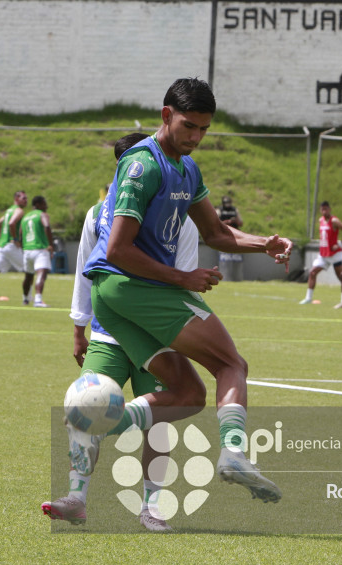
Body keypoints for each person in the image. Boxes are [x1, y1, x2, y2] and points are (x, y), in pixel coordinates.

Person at [84, 77, 292, 505]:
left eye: (204, 130)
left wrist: (262, 242)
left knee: (188, 395)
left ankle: (98, 422)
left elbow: (215, 232)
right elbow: (119, 249)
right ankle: (234, 454)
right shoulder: (143, 165)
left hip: (122, 294)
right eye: (188, 126)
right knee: (231, 364)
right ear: (166, 116)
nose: (196, 137)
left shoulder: (187, 167)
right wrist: (184, 279)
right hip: (133, 287)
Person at [42, 132, 204, 532]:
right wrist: (78, 327)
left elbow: (182, 278)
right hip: (107, 334)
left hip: (157, 337)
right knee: (85, 406)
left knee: (158, 422)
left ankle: (153, 506)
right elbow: (86, 269)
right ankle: (76, 498)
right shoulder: (99, 213)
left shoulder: (179, 220)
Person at [299, 201, 342, 305]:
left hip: (334, 254)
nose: (324, 211)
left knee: (341, 277)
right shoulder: (321, 220)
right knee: (312, 272)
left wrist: (339, 244)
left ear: (330, 209)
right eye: (322, 209)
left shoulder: (334, 221)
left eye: (326, 209)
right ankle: (308, 298)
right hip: (323, 254)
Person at [20, 195, 54, 307]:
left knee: (28, 276)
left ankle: (25, 299)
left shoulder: (25, 217)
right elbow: (47, 226)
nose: (47, 206)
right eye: (44, 204)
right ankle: (38, 300)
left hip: (27, 250)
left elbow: (20, 234)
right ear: (38, 205)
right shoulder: (42, 214)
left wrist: (23, 246)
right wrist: (50, 244)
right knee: (41, 274)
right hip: (40, 249)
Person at [216, 195, 244, 281]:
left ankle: (237, 277)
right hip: (223, 236)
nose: (227, 205)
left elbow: (241, 223)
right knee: (224, 260)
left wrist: (234, 221)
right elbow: (215, 222)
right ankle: (224, 277)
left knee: (236, 260)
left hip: (235, 237)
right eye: (226, 203)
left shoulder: (235, 210)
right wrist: (226, 222)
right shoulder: (219, 210)